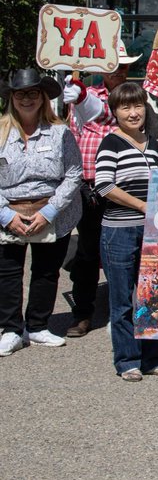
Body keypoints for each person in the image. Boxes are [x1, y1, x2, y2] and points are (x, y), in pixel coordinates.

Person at [93, 81, 158, 380]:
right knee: (122, 299)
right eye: (125, 107)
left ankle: (153, 359)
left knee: (153, 297)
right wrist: (141, 205)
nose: (133, 113)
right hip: (119, 231)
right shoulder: (111, 143)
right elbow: (104, 186)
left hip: (153, 232)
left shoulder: (154, 145)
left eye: (138, 105)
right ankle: (128, 361)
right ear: (115, 112)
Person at [59, 40, 141, 338]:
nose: (119, 71)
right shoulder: (86, 95)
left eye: (124, 66)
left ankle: (129, 311)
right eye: (114, 66)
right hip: (91, 185)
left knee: (130, 252)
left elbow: (107, 112)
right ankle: (83, 312)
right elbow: (79, 125)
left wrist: (82, 98)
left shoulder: (132, 98)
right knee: (88, 250)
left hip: (126, 186)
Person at [0, 69, 83, 356]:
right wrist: (6, 216)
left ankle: (36, 326)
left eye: (33, 93)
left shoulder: (60, 132)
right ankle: (11, 329)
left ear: (43, 97)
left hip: (52, 211)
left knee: (46, 271)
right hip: (8, 211)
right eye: (20, 94)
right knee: (8, 273)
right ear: (12, 97)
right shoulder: (0, 132)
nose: (27, 99)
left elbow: (73, 174)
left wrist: (48, 212)